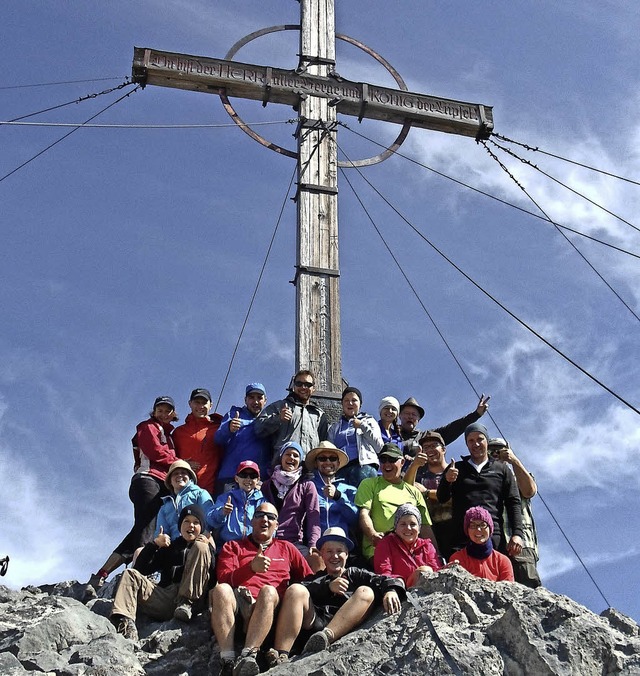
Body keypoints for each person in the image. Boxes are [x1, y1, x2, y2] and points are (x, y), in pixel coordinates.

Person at [268, 526, 405, 666]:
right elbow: (303, 588)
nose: (334, 556)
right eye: (329, 551)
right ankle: (281, 654)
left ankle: (325, 637)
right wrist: (327, 585)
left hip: (344, 625)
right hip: (315, 622)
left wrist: (391, 590)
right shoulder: (317, 578)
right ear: (321, 554)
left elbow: (384, 579)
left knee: (366, 591)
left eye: (339, 551)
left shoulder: (355, 574)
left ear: (346, 554)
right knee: (296, 589)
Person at [86, 396, 179, 597]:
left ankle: (101, 574)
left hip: (161, 484)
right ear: (154, 411)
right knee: (147, 529)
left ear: (173, 414)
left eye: (167, 410)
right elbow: (154, 451)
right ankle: (138, 576)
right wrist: (179, 462)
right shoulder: (147, 427)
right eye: (159, 410)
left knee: (141, 528)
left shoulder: (171, 435)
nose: (163, 414)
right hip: (148, 480)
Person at [211, 503, 312, 676]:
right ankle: (227, 660)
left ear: (277, 525)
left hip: (273, 608)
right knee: (220, 590)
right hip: (241, 605)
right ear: (251, 520)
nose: (265, 519)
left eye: (271, 517)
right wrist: (250, 568)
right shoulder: (233, 546)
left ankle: (248, 655)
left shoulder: (287, 548)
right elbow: (224, 578)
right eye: (259, 515)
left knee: (269, 591)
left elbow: (309, 579)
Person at [110, 504, 215, 640]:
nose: (191, 526)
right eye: (186, 521)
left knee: (200, 547)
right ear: (180, 525)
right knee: (130, 575)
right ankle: (124, 624)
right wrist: (154, 545)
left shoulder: (205, 548)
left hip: (193, 603)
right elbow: (141, 569)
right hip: (166, 598)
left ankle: (186, 602)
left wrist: (209, 549)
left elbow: (213, 577)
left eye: (196, 522)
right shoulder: (170, 547)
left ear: (201, 528)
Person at [436, 422, 524, 557]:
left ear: (487, 441)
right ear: (466, 444)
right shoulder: (456, 468)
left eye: (479, 439)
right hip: (461, 539)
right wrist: (446, 481)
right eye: (471, 440)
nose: (475, 444)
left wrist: (517, 534)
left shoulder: (502, 469)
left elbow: (513, 502)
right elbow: (442, 497)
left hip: (493, 537)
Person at [355, 443, 436, 562]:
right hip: (381, 551)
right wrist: (373, 535)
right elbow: (364, 514)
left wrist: (436, 555)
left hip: (411, 553)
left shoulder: (414, 491)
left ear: (402, 462)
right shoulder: (369, 484)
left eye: (392, 459)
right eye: (383, 459)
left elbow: (425, 526)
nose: (387, 464)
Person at [488, 437, 542, 588]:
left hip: (521, 545)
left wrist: (513, 460)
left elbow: (529, 490)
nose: (496, 454)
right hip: (496, 544)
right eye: (492, 451)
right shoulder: (485, 480)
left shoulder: (516, 476)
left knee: (528, 586)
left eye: (500, 450)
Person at [260, 442, 321, 564]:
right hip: (268, 541)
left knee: (316, 562)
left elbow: (314, 517)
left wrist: (313, 543)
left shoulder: (307, 485)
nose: (292, 458)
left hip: (294, 542)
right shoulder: (267, 485)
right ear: (281, 457)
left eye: (296, 455)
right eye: (288, 454)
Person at [254, 370, 328, 461]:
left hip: (310, 469)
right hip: (283, 467)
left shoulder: (319, 414)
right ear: (293, 386)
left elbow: (324, 445)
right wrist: (278, 419)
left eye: (308, 384)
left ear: (313, 388)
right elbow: (258, 428)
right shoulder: (278, 406)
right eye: (299, 384)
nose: (303, 387)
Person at [404, 430, 455, 559]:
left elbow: (457, 498)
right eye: (426, 447)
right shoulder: (419, 476)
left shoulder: (454, 471)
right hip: (431, 531)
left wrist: (427, 493)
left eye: (434, 446)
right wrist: (415, 465)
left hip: (456, 530)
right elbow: (406, 490)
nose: (430, 450)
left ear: (444, 449)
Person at [215, 383, 271, 494]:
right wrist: (229, 428)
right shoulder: (234, 415)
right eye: (251, 397)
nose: (255, 401)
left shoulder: (270, 420)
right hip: (231, 477)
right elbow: (218, 439)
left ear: (265, 401)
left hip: (258, 480)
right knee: (227, 510)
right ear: (245, 400)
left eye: (259, 398)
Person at [398, 394, 491, 460]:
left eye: (414, 414)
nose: (410, 416)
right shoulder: (389, 433)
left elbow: (454, 428)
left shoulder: (428, 437)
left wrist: (476, 414)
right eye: (406, 413)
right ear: (399, 416)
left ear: (419, 419)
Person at [374, 503, 441, 587]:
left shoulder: (427, 546)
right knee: (424, 570)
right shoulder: (385, 544)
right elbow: (384, 574)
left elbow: (436, 572)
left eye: (413, 524)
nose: (408, 528)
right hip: (397, 591)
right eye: (403, 524)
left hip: (426, 593)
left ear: (419, 528)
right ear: (396, 526)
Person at [328, 387, 383, 487]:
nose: (350, 403)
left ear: (360, 404)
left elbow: (379, 446)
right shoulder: (334, 427)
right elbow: (329, 449)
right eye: (346, 400)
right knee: (342, 501)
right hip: (341, 470)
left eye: (354, 400)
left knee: (363, 501)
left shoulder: (369, 421)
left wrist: (362, 426)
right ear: (342, 404)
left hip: (364, 467)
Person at [173, 388, 223, 494]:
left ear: (211, 405)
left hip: (210, 491)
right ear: (190, 403)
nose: (200, 406)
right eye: (197, 402)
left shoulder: (219, 429)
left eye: (204, 403)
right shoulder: (178, 432)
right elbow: (169, 456)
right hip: (182, 490)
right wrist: (182, 463)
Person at [305, 441, 358, 535]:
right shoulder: (307, 486)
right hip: (314, 544)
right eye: (322, 458)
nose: (328, 462)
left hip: (341, 544)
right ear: (316, 463)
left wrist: (338, 496)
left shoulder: (349, 489)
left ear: (338, 463)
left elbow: (355, 519)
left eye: (332, 458)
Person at [448, 506, 514, 582]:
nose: (478, 529)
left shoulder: (503, 561)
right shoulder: (457, 559)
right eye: (473, 526)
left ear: (490, 529)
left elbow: (509, 590)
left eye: (483, 525)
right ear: (467, 530)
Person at [207, 461, 266, 545]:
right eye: (243, 475)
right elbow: (210, 520)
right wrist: (222, 512)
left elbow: (271, 527)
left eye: (253, 476)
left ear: (258, 480)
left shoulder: (263, 501)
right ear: (236, 478)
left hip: (254, 547)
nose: (248, 479)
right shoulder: (225, 498)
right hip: (229, 546)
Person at [156, 459, 214, 540]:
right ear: (170, 481)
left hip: (198, 542)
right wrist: (162, 539)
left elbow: (210, 519)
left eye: (183, 473)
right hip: (174, 547)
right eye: (175, 473)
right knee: (139, 551)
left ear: (190, 478)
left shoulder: (200, 494)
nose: (179, 475)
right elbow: (160, 532)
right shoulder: (165, 507)